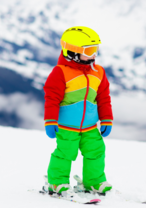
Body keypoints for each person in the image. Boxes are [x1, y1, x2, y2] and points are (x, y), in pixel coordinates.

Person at [43, 26, 113, 195]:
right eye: (89, 50)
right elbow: (52, 98)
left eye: (95, 49)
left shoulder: (99, 72)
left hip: (90, 126)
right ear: (72, 52)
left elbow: (103, 98)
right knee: (65, 153)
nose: (94, 54)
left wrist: (106, 119)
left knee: (96, 152)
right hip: (67, 126)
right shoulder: (60, 73)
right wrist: (50, 121)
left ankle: (94, 182)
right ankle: (57, 182)